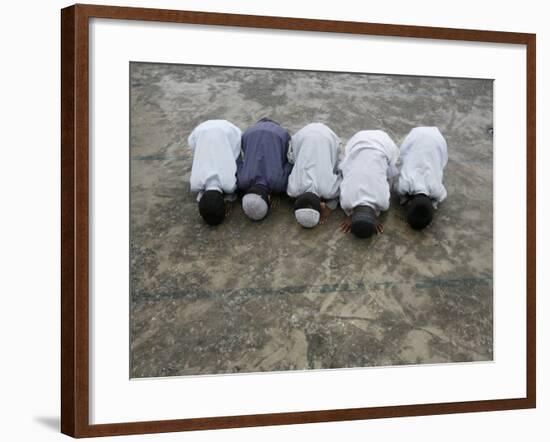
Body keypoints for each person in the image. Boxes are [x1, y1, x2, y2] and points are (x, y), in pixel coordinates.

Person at [339, 130, 399, 238]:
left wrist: (371, 217)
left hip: (381, 144)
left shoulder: (383, 203)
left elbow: (387, 183)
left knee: (388, 171)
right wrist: (352, 216)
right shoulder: (346, 202)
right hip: (357, 142)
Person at [287, 123, 342, 228]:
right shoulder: (293, 190)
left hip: (327, 137)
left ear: (322, 205)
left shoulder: (328, 191)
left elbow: (342, 183)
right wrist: (330, 206)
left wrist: (330, 207)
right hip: (305, 134)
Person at [188, 119, 242, 225]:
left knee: (236, 157)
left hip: (228, 131)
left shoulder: (229, 185)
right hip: (202, 130)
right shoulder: (195, 183)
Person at [237, 118, 292, 221]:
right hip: (250, 133)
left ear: (269, 199)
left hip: (279, 135)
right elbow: (239, 161)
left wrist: (276, 190)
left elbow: (289, 164)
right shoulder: (243, 181)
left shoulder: (279, 184)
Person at [395, 127, 448, 230]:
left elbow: (442, 196)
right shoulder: (405, 185)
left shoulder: (435, 189)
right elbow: (398, 189)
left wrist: (432, 203)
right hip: (425, 137)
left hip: (433, 139)